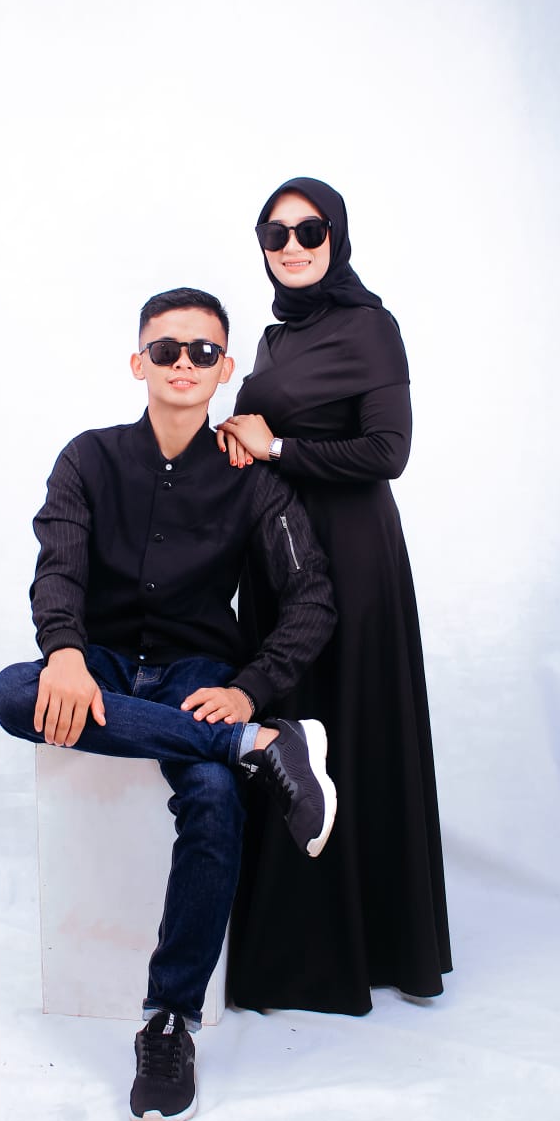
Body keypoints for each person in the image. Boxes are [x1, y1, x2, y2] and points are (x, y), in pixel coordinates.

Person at [0, 286, 338, 1121]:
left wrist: (249, 687)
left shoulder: (254, 482)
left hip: (197, 674)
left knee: (214, 803)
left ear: (224, 368)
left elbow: (312, 599)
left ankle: (169, 1019)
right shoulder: (87, 458)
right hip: (100, 666)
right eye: (166, 349)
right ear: (137, 362)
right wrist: (64, 651)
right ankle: (257, 745)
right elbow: (57, 567)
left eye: (202, 352)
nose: (184, 363)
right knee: (13, 691)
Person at [218, 177, 452, 1017]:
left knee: (346, 721)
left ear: (336, 236)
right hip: (277, 547)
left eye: (309, 230)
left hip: (351, 551)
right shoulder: (274, 339)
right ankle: (290, 946)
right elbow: (263, 441)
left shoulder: (369, 327)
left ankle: (369, 943)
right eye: (274, 233)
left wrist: (275, 446)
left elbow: (388, 452)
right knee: (288, 729)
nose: (291, 246)